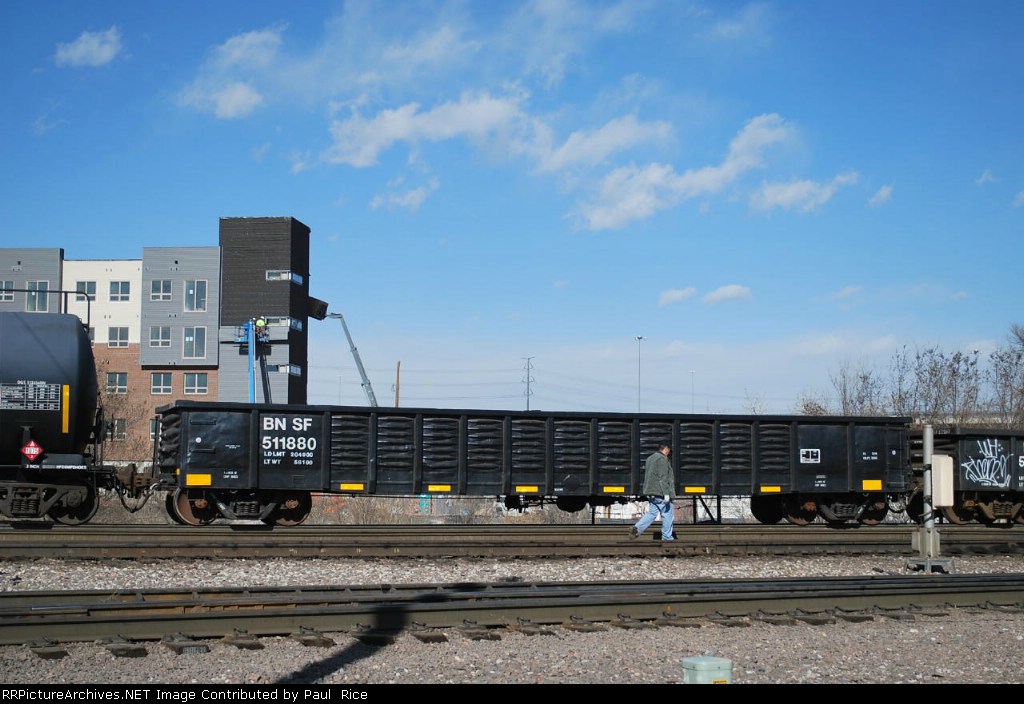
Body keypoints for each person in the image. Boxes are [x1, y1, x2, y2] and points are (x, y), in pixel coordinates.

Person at [630, 442, 675, 541]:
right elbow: (663, 477)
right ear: (666, 448)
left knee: (652, 513)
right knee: (668, 514)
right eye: (670, 451)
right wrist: (666, 494)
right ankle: (667, 537)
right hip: (660, 492)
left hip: (651, 492)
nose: (670, 453)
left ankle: (637, 528)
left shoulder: (650, 458)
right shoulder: (662, 459)